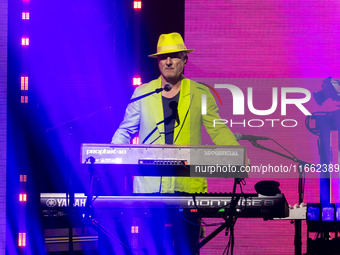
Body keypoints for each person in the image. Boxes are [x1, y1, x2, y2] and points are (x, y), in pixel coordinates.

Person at [111, 32, 239, 254]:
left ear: (185, 59)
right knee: (151, 248)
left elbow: (218, 130)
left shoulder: (201, 93)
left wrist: (236, 154)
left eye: (174, 57)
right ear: (158, 61)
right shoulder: (142, 92)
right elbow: (125, 130)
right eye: (163, 57)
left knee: (187, 249)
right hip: (150, 189)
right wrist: (112, 154)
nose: (168, 62)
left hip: (187, 189)